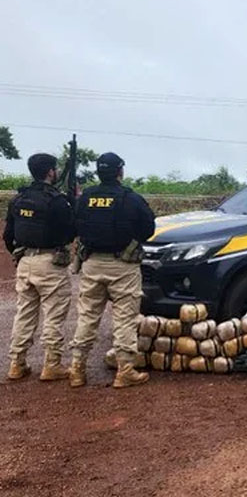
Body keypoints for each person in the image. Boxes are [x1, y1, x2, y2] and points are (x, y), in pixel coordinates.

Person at [68, 152, 155, 389]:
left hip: (92, 264)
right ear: (120, 172)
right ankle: (125, 371)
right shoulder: (131, 198)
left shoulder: (85, 197)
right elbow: (148, 228)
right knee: (125, 319)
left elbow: (75, 224)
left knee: (87, 316)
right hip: (123, 267)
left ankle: (77, 369)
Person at [3, 153, 76, 381]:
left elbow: (8, 236)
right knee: (53, 316)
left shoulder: (19, 199)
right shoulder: (56, 201)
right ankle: (52, 364)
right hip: (50, 262)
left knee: (24, 314)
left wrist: (21, 254)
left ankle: (17, 363)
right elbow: (71, 231)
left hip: (25, 261)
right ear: (51, 172)